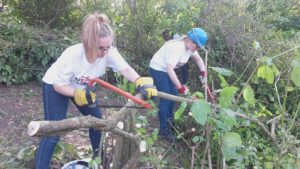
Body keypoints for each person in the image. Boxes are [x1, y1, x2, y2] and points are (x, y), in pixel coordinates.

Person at [35, 13, 157, 169]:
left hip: (82, 87)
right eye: (101, 48)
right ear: (89, 44)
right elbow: (59, 86)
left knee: (98, 122)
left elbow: (125, 69)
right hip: (56, 86)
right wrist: (76, 94)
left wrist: (140, 81)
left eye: (108, 47)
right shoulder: (73, 55)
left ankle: (98, 160)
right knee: (53, 131)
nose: (105, 52)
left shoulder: (109, 51)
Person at [149, 28, 208, 141]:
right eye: (197, 46)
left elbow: (199, 60)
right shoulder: (177, 48)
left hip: (167, 71)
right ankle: (163, 131)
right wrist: (181, 87)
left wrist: (203, 72)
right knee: (166, 97)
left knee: (174, 96)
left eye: (199, 47)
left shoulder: (191, 48)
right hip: (158, 69)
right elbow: (170, 69)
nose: (198, 49)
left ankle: (170, 122)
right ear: (191, 41)